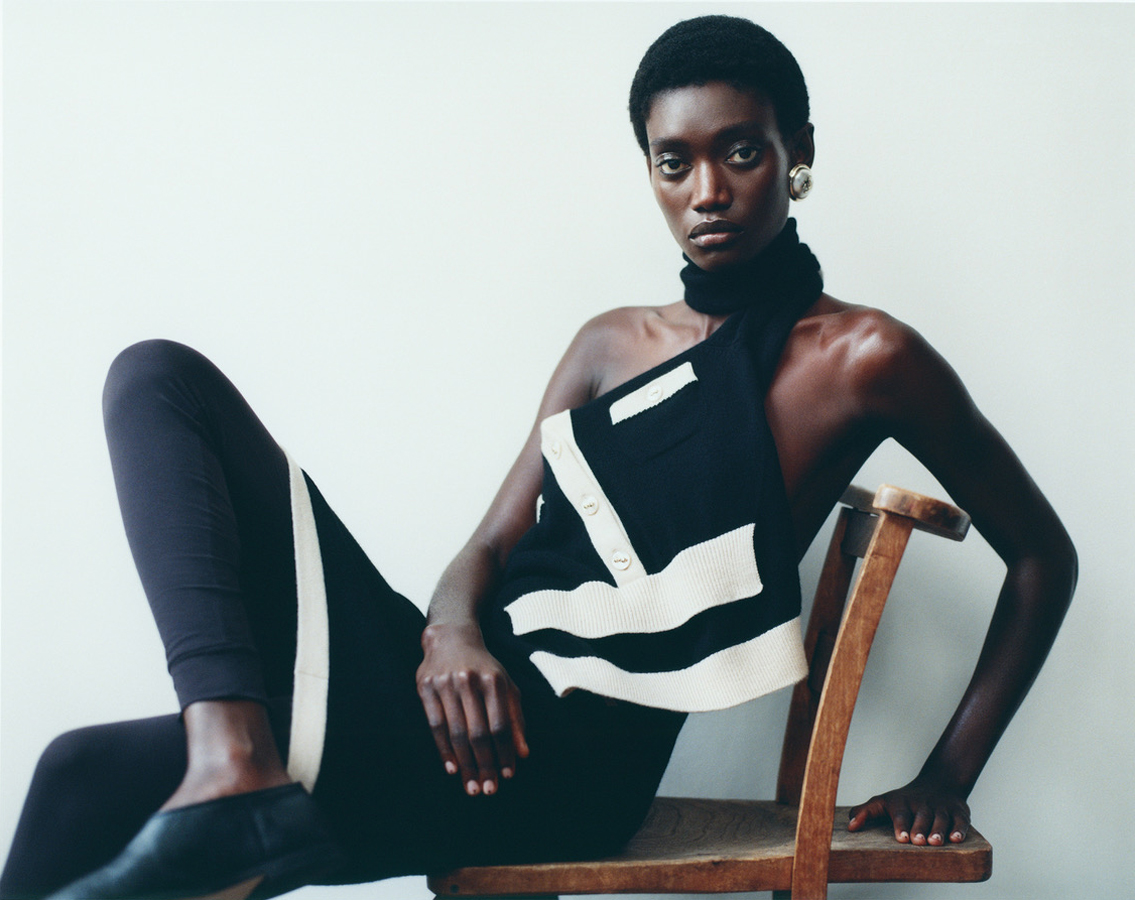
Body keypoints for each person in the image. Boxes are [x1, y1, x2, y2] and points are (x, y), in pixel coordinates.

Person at [0, 14, 1076, 900]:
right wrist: (452, 637)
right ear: (649, 171)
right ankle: (231, 762)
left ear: (797, 155)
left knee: (86, 781)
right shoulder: (609, 345)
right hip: (458, 696)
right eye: (674, 161)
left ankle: (239, 783)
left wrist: (948, 773)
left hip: (554, 770)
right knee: (155, 385)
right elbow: (481, 554)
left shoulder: (864, 358)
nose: (706, 190)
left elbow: (1042, 557)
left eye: (740, 151)